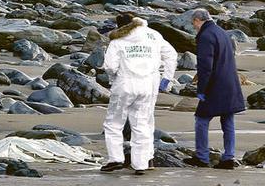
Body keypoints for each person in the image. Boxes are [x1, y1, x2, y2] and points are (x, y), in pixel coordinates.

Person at [101, 14, 177, 175]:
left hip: (125, 83)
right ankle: (141, 163)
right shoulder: (153, 35)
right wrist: (166, 79)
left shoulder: (117, 41)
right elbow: (171, 55)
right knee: (142, 123)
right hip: (149, 84)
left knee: (114, 122)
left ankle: (115, 159)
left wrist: (113, 79)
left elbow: (110, 66)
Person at [185, 9, 245, 169]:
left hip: (215, 84)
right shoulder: (222, 32)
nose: (194, 27)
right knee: (228, 120)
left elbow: (205, 66)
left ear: (198, 20)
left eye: (193, 24)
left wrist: (201, 90)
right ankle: (228, 157)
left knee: (201, 120)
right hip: (230, 82)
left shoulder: (205, 36)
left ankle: (202, 157)